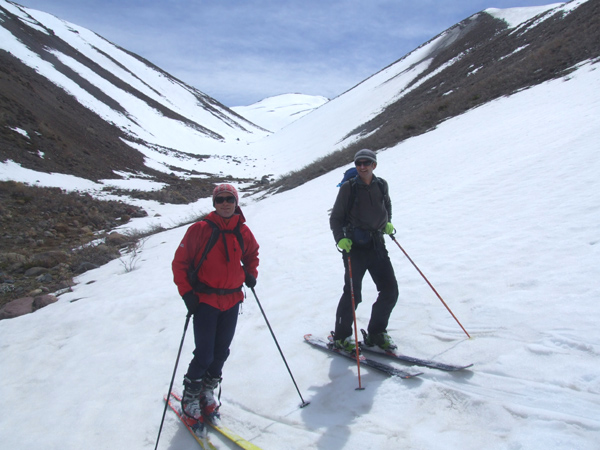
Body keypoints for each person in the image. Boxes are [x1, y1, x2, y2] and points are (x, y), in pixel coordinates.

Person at [172, 184, 259, 422]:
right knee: (204, 354)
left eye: (229, 199)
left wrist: (250, 273)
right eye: (220, 199)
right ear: (214, 203)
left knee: (221, 352)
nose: (225, 203)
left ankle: (207, 391)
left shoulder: (243, 231)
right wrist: (187, 293)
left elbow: (252, 254)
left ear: (236, 202)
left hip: (232, 300)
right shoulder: (200, 229)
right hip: (205, 301)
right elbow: (180, 263)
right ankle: (190, 395)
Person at [329, 149, 399, 353]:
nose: (362, 166)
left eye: (366, 163)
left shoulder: (381, 185)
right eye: (358, 163)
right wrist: (340, 239)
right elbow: (335, 218)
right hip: (355, 248)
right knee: (352, 294)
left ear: (374, 165)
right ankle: (341, 337)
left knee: (390, 290)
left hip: (377, 244)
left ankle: (377, 332)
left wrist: (388, 223)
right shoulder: (348, 188)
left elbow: (386, 206)